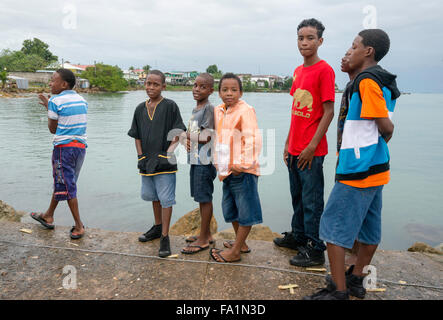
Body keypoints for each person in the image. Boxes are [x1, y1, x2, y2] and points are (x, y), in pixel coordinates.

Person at [304, 29, 400, 300]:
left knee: (332, 229)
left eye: (354, 46)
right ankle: (356, 278)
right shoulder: (381, 80)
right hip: (377, 169)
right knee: (369, 229)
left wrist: (367, 151)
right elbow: (377, 129)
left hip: (358, 170)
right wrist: (378, 149)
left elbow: (385, 125)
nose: (349, 49)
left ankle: (339, 290)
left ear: (368, 51)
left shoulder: (367, 81)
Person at [274, 18, 335, 267]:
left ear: (320, 41)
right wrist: (289, 143)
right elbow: (296, 110)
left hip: (312, 151)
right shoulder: (298, 71)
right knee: (297, 197)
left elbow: (328, 111)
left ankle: (315, 249)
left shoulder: (325, 70)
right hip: (295, 149)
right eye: (301, 38)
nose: (305, 42)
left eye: (310, 38)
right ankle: (298, 236)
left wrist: (311, 147)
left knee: (312, 201)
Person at [127, 70, 186, 258]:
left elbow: (178, 132)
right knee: (153, 197)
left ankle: (165, 237)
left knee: (166, 199)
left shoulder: (170, 106)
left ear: (163, 86)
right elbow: (136, 135)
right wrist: (140, 156)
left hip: (165, 161)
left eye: (155, 84)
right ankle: (157, 226)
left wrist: (167, 154)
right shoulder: (139, 108)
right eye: (148, 83)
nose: (151, 87)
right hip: (146, 161)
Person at [210, 73, 262, 263]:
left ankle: (236, 251)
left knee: (246, 212)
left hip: (243, 171)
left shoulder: (245, 110)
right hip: (226, 171)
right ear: (219, 92)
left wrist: (240, 165)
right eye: (225, 90)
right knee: (230, 209)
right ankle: (242, 243)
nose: (229, 93)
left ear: (241, 92)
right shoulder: (219, 110)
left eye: (234, 90)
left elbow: (253, 140)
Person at [31, 68, 88, 240]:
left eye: (53, 80)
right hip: (80, 148)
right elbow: (71, 120)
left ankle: (79, 226)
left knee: (67, 186)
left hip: (64, 148)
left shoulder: (55, 101)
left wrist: (49, 109)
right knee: (64, 182)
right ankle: (48, 215)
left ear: (63, 84)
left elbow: (53, 129)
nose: (50, 83)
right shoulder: (82, 99)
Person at [180, 73, 218, 254]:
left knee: (204, 198)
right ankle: (207, 234)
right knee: (200, 197)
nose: (197, 89)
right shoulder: (197, 108)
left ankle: (203, 239)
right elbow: (195, 134)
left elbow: (206, 136)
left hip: (205, 161)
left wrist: (184, 136)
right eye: (195, 85)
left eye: (202, 87)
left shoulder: (209, 109)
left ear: (211, 90)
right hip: (196, 159)